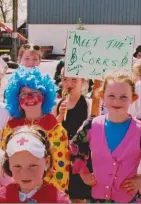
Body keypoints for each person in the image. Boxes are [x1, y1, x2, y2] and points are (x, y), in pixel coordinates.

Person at [70, 69, 141, 203]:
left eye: (123, 97)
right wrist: (83, 173)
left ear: (133, 98)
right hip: (97, 198)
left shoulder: (139, 130)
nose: (117, 101)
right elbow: (75, 148)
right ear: (102, 96)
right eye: (111, 96)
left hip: (128, 198)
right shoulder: (91, 126)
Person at [1, 66, 70, 193]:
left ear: (44, 97)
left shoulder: (56, 129)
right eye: (24, 94)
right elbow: (6, 163)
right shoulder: (10, 128)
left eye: (35, 93)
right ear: (16, 99)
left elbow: (60, 168)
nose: (29, 98)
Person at [0, 127, 70, 203]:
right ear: (9, 164)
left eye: (32, 166)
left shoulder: (58, 200)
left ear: (47, 162)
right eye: (17, 166)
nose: (25, 174)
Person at [53, 67, 92, 203]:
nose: (69, 83)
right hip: (60, 156)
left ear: (83, 82)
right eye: (65, 80)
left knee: (77, 197)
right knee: (60, 195)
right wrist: (60, 115)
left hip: (80, 158)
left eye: (74, 79)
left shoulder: (88, 104)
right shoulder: (57, 103)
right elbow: (52, 129)